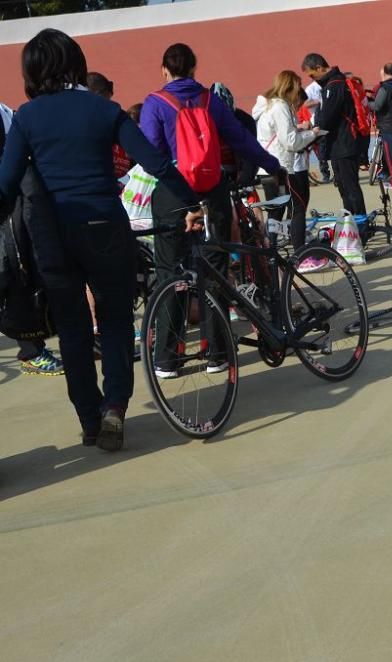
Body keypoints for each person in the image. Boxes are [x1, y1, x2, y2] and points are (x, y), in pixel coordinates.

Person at [0, 29, 204, 450]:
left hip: (52, 235)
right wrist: (191, 202)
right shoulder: (103, 109)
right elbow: (155, 161)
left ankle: (90, 420)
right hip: (106, 228)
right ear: (75, 61)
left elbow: (5, 185)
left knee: (73, 330)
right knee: (114, 321)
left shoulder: (25, 117)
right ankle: (115, 406)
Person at [141, 43, 282, 381]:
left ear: (164, 70)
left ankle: (167, 359)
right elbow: (240, 140)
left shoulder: (155, 103)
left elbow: (149, 152)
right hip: (213, 190)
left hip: (174, 194)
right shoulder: (210, 100)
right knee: (216, 268)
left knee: (169, 272)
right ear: (193, 68)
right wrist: (272, 165)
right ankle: (218, 352)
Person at [1, 99, 65, 377]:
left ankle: (32, 349)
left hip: (14, 203)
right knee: (13, 275)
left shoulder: (5, 111)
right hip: (12, 204)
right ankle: (31, 350)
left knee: (16, 275)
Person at [251, 71, 322, 259]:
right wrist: (312, 134)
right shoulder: (280, 107)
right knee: (298, 207)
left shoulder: (267, 106)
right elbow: (290, 141)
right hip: (281, 167)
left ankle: (271, 252)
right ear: (290, 87)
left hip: (267, 168)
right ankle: (301, 255)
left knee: (276, 211)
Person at [303, 53, 368, 219]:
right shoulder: (333, 84)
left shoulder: (334, 85)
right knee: (344, 187)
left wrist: (314, 130)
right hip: (340, 144)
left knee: (350, 187)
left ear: (319, 68)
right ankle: (352, 223)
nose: (312, 78)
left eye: (312, 74)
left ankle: (360, 226)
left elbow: (327, 117)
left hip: (344, 145)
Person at [302, 66, 331, 183]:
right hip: (317, 121)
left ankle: (337, 174)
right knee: (321, 149)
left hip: (329, 120)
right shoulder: (310, 89)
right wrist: (318, 102)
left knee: (332, 146)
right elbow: (304, 104)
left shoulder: (328, 84)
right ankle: (325, 174)